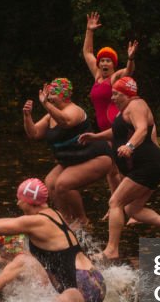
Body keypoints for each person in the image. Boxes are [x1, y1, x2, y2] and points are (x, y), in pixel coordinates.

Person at [79, 77, 160, 259]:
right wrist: (95, 137)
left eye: (116, 94)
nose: (112, 98)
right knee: (132, 210)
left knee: (115, 202)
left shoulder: (137, 106)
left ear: (127, 94)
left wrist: (130, 146)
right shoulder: (125, 110)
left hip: (147, 166)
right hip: (145, 167)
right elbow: (116, 132)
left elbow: (142, 129)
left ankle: (111, 249)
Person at [23, 78, 112, 226]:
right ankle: (66, 221)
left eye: (52, 94)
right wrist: (27, 116)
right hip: (73, 159)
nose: (49, 97)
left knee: (63, 184)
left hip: (96, 156)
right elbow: (34, 134)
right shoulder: (51, 115)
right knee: (50, 183)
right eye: (48, 94)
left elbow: (66, 122)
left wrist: (45, 104)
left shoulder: (74, 110)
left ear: (63, 95)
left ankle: (82, 221)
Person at [81, 12, 137, 131]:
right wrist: (89, 31)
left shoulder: (114, 78)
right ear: (99, 64)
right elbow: (88, 52)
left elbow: (129, 71)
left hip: (117, 128)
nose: (104, 63)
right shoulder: (97, 75)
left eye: (108, 61)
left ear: (113, 64)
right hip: (103, 129)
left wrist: (130, 58)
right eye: (102, 60)